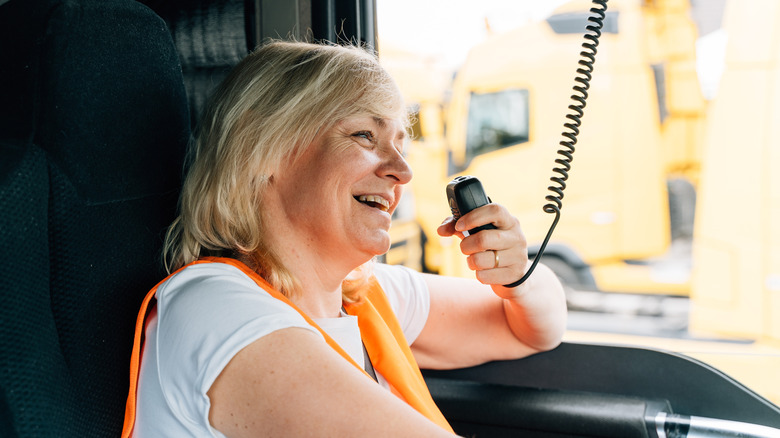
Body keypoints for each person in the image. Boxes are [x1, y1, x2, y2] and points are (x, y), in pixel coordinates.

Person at [122, 40, 567, 438]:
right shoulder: (216, 312)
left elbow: (530, 330)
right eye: (364, 136)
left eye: (399, 144)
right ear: (264, 152)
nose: (403, 171)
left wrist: (516, 276)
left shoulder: (362, 295)